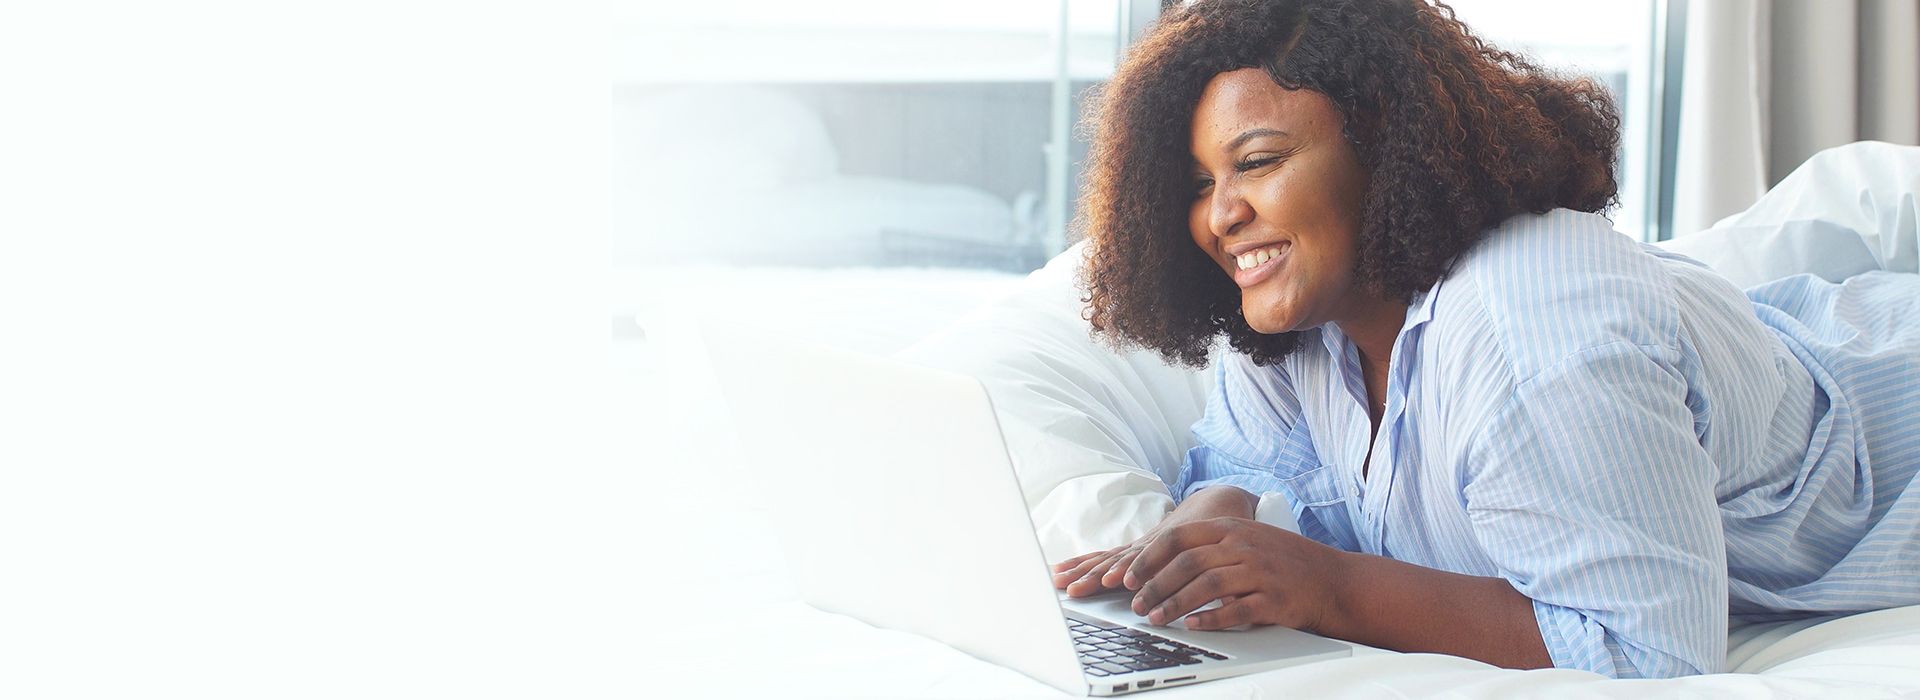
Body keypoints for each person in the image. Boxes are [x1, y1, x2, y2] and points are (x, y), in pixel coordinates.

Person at [1052, 0, 1920, 679]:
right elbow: (1247, 462)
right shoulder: (1303, 323)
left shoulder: (1533, 336)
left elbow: (1652, 655)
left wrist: (1329, 587)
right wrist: (1204, 525)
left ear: (1384, 144)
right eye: (1202, 182)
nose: (1221, 215)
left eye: (1259, 161)